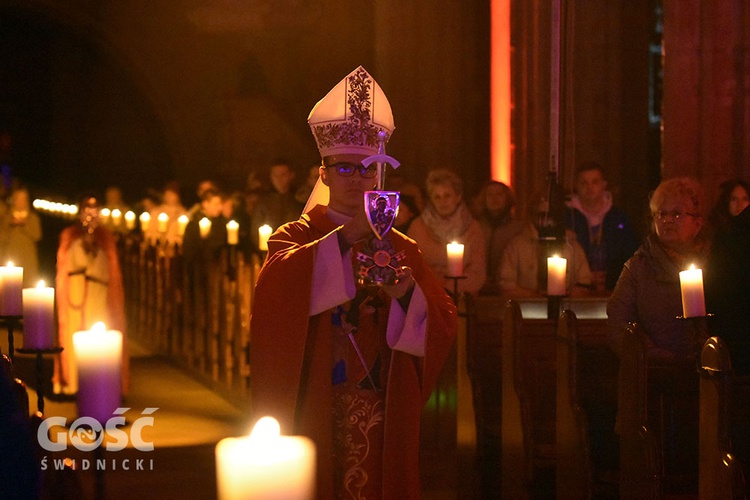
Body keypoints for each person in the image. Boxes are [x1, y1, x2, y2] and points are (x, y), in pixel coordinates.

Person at [250, 66, 457, 499]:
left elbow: (441, 321)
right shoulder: (294, 237)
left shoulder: (403, 247)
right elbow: (274, 296)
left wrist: (406, 298)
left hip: (379, 401)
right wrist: (345, 238)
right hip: (317, 399)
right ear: (322, 175)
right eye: (343, 169)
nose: (356, 179)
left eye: (367, 169)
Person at [607, 177, 709, 490]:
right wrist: (649, 352)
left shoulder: (717, 262)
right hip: (652, 381)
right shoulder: (638, 267)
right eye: (660, 214)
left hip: (705, 379)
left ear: (698, 221)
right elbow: (617, 322)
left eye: (676, 214)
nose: (666, 220)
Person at [53, 195, 128, 396]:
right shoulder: (69, 235)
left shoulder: (106, 238)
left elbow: (108, 267)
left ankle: (99, 384)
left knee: (98, 337)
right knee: (73, 335)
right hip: (75, 291)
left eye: (95, 210)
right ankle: (73, 383)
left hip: (98, 293)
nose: (90, 214)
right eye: (87, 209)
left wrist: (95, 252)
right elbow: (67, 263)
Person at [407, 168, 487, 295]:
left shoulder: (473, 228)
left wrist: (449, 288)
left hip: (461, 297)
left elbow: (478, 273)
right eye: (437, 197)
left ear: (458, 197)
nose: (442, 201)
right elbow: (410, 266)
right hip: (426, 295)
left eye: (447, 195)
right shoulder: (418, 227)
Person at [565, 162, 639, 293]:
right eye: (584, 183)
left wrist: (611, 277)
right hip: (576, 289)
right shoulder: (567, 218)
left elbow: (631, 255)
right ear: (576, 186)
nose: (590, 187)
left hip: (613, 289)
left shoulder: (618, 218)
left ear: (604, 184)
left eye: (595, 182)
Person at [499, 196, 592, 298]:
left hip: (563, 308)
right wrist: (534, 296)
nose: (547, 220)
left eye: (552, 215)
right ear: (533, 215)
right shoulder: (517, 246)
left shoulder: (571, 246)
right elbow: (506, 284)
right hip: (528, 309)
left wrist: (565, 297)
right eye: (542, 215)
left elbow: (584, 282)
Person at [473, 180, 525, 295]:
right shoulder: (475, 228)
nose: (494, 198)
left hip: (507, 289)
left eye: (499, 194)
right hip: (478, 288)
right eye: (490, 195)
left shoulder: (517, 229)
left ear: (507, 198)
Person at [250, 160, 304, 248]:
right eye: (275, 175)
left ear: (291, 175)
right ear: (271, 177)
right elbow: (255, 232)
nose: (279, 179)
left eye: (283, 175)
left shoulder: (298, 201)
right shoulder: (263, 203)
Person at [0, 186, 42, 286]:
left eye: (23, 199)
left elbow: (37, 235)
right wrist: (10, 225)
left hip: (28, 263)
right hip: (10, 260)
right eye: (18, 199)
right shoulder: (6, 217)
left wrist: (24, 224)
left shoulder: (32, 218)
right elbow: (2, 238)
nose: (21, 202)